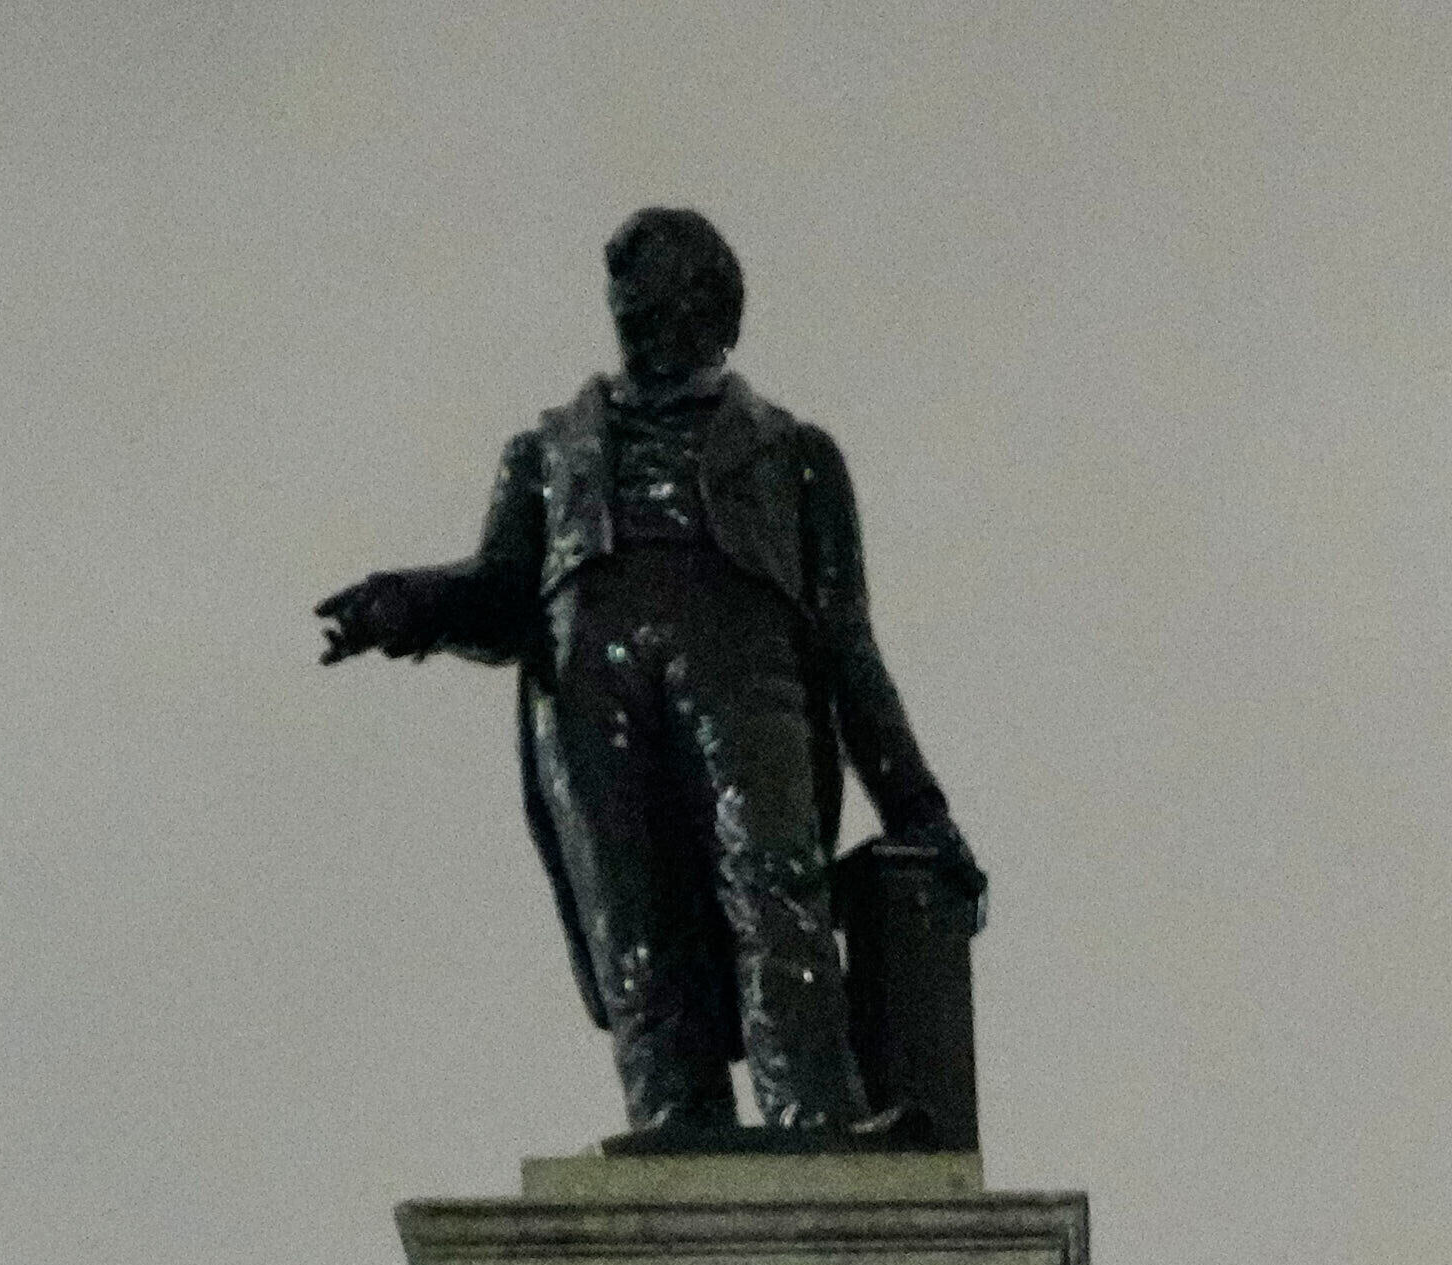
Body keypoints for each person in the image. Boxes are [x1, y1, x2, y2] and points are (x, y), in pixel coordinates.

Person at [318, 204, 977, 1143]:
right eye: (628, 302)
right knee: (634, 913)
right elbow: (503, 592)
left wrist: (917, 806)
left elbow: (846, 641)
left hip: (746, 667)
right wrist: (407, 605)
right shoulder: (546, 453)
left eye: (659, 298)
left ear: (713, 309)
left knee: (774, 882)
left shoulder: (796, 455)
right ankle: (675, 1117)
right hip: (588, 683)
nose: (639, 317)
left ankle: (815, 1121)